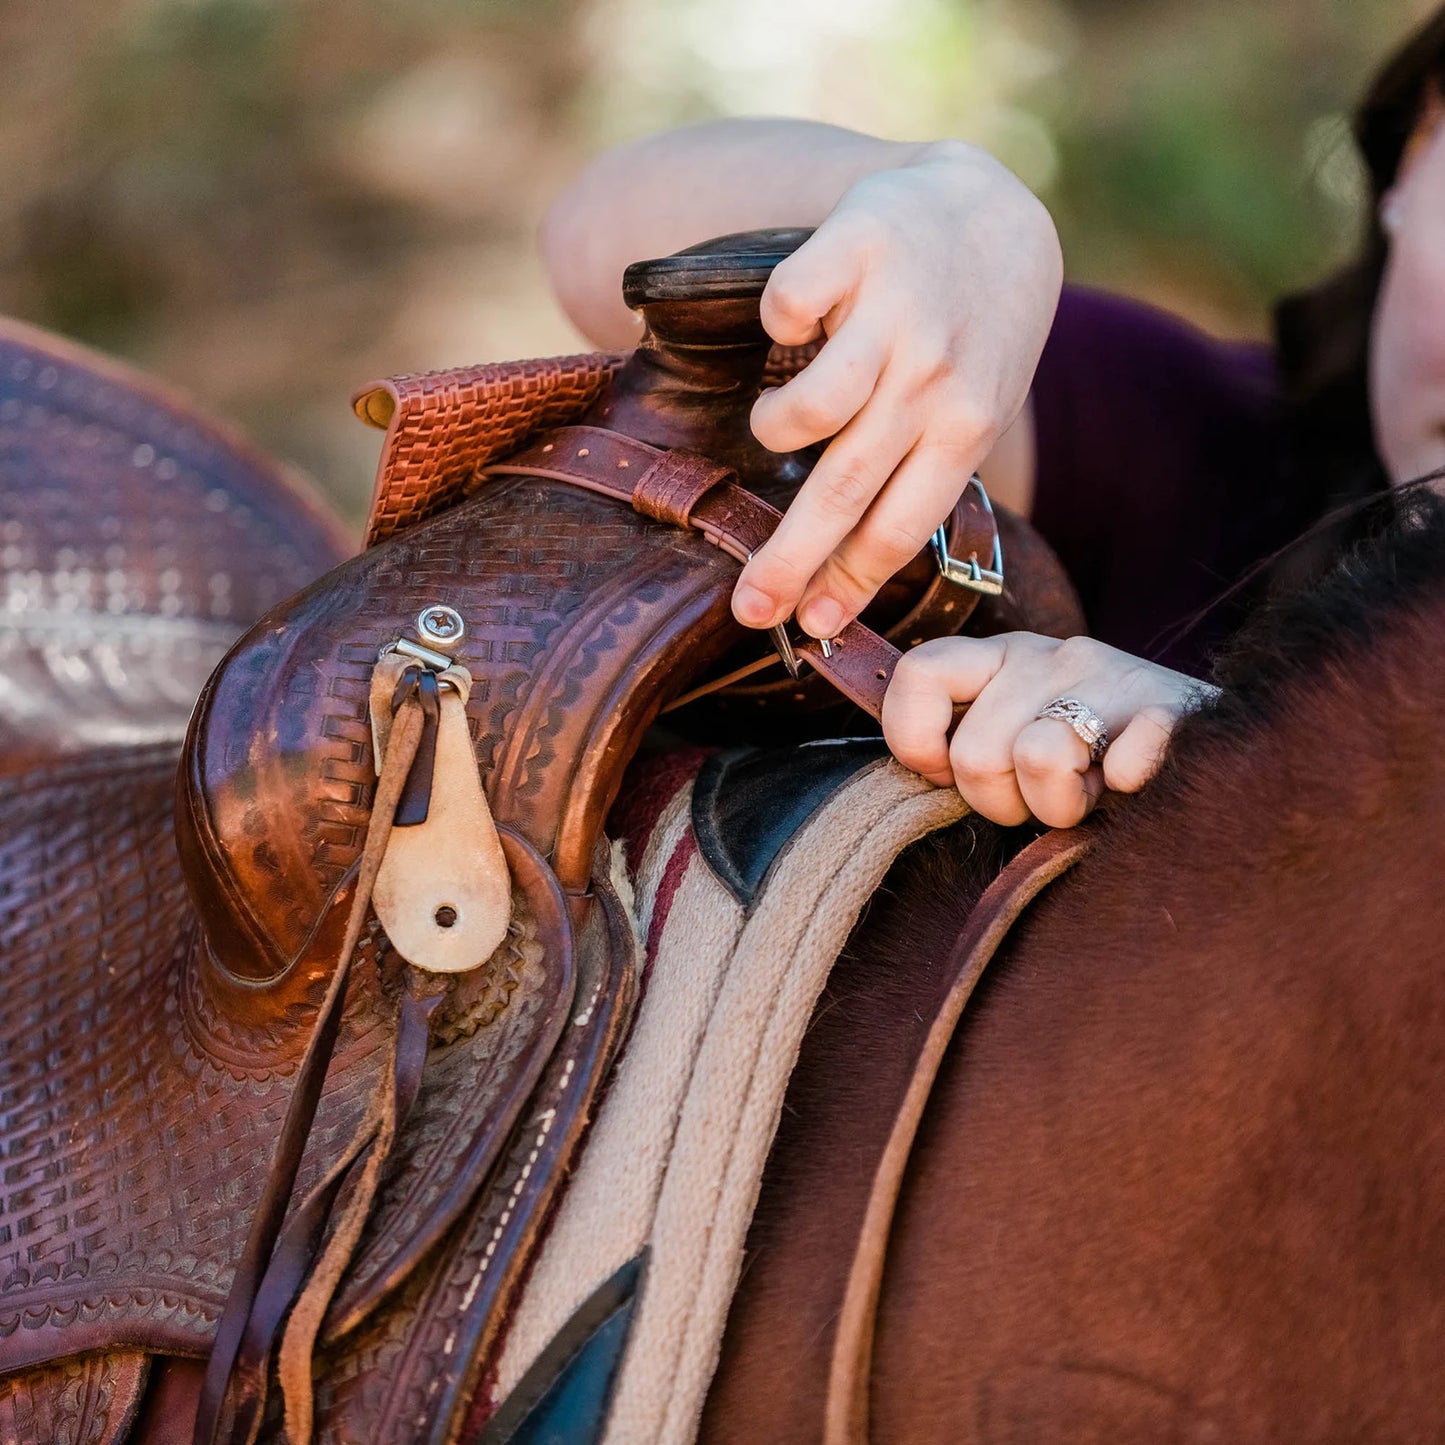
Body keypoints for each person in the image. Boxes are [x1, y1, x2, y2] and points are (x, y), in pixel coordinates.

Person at [540, 9, 1445, 828]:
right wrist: (928, 194)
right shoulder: (1197, 434)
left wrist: (1239, 754)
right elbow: (597, 248)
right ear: (1410, 154)